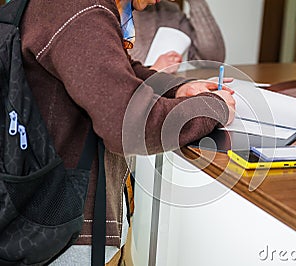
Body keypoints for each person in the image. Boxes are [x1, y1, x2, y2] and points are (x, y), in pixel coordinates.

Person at [20, 0, 235, 265]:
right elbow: (128, 124)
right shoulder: (81, 13)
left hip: (54, 212)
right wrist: (212, 108)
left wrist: (177, 89)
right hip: (66, 232)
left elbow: (119, 69)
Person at [131, 0, 226, 73]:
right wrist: (154, 71)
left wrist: (197, 2)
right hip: (137, 95)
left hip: (164, 92)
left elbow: (213, 60)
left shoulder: (169, 11)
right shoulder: (118, 12)